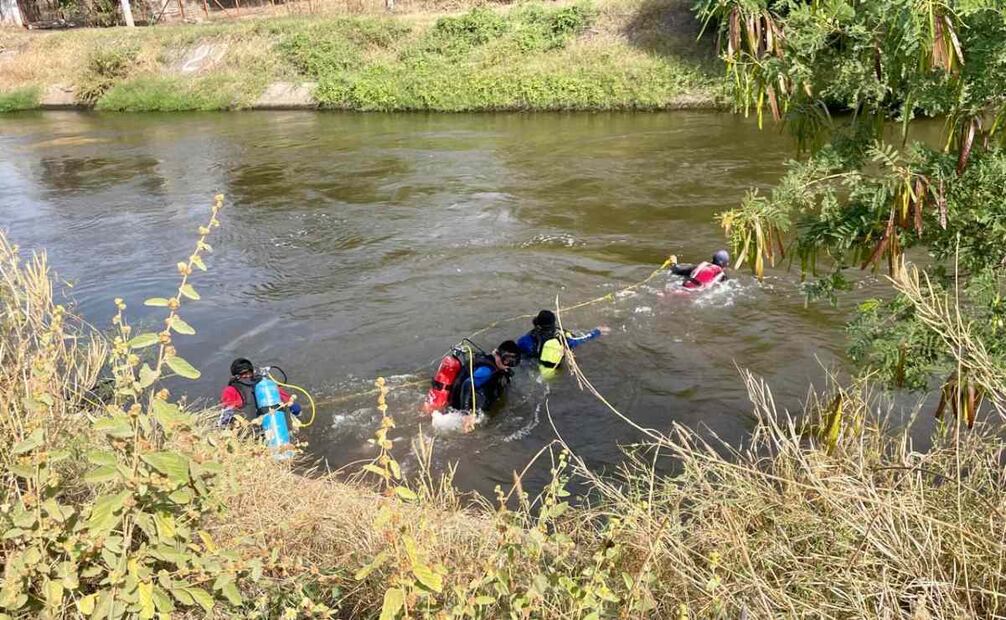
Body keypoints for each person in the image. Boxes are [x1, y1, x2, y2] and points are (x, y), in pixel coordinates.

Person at [516, 310, 607, 378]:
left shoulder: (525, 340)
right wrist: (597, 332)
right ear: (553, 324)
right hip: (551, 372)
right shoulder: (562, 339)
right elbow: (580, 340)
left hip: (531, 369)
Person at [219, 358, 301, 427]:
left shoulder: (229, 390)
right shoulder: (264, 384)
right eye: (244, 373)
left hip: (253, 429)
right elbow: (292, 405)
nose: (247, 376)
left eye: (248, 372)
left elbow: (225, 418)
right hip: (275, 426)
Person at [449, 340, 521, 416]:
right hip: (460, 405)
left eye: (511, 364)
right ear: (500, 356)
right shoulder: (486, 370)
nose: (508, 366)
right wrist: (466, 414)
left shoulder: (492, 360)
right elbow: (467, 384)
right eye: (507, 362)